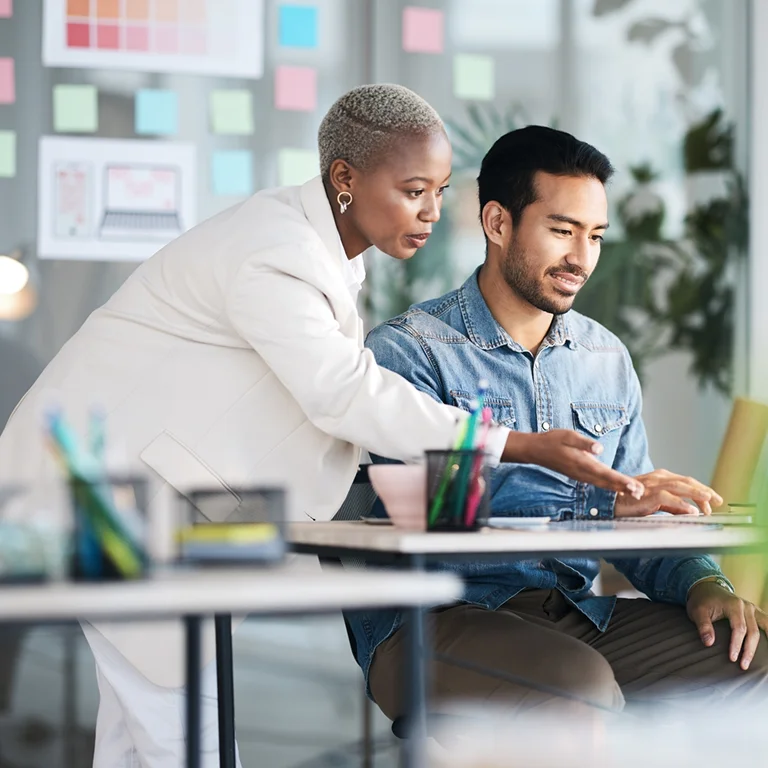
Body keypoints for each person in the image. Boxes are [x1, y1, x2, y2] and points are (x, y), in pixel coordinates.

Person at [0, 88, 642, 767]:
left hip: (130, 500)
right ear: (346, 178)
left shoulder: (320, 253)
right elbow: (340, 391)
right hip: (100, 496)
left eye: (440, 190)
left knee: (144, 736)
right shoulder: (275, 250)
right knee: (188, 731)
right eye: (413, 189)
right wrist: (515, 443)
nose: (431, 213)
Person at [346, 125, 768, 726]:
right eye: (562, 231)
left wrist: (706, 584)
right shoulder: (411, 352)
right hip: (434, 618)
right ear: (497, 224)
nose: (582, 258)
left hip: (573, 613)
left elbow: (641, 518)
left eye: (595, 236)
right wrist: (600, 505)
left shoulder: (605, 359)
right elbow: (438, 519)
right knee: (577, 686)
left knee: (751, 657)